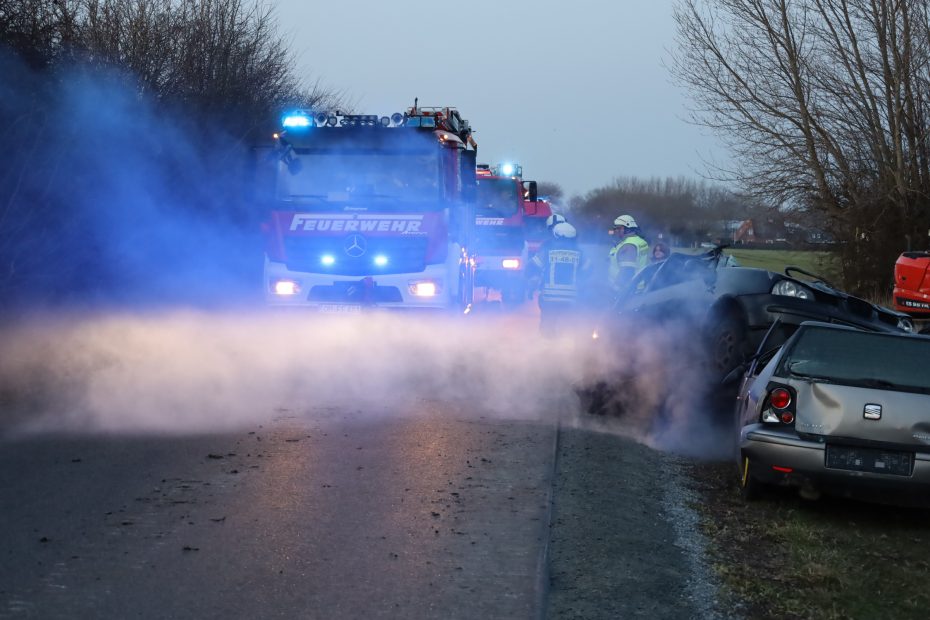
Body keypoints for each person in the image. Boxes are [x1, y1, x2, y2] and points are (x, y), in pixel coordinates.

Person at [532, 222, 587, 335]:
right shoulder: (580, 253)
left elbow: (532, 267)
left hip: (549, 298)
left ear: (556, 236)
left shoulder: (547, 252)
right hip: (571, 299)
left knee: (548, 324)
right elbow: (588, 270)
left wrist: (531, 285)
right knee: (569, 327)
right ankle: (567, 347)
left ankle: (547, 346)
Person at [607, 214, 650, 293]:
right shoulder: (639, 241)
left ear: (628, 228)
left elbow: (627, 272)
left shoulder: (628, 246)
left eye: (618, 228)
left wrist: (613, 290)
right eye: (615, 228)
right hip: (638, 287)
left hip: (625, 291)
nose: (616, 231)